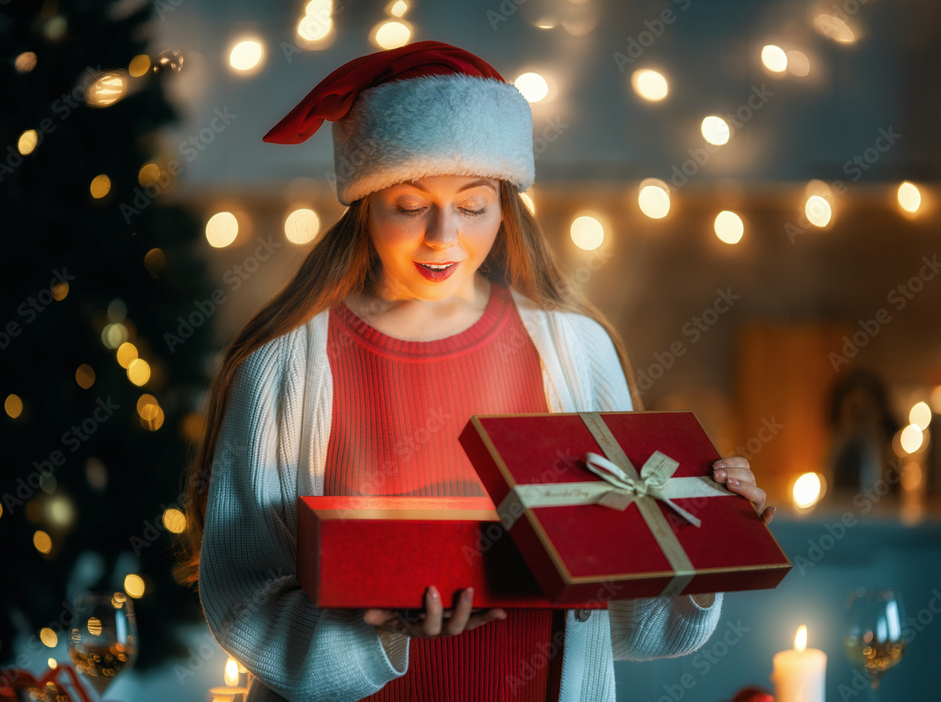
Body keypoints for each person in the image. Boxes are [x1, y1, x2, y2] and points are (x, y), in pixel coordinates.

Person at [180, 41, 775, 702]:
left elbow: (628, 617)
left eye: (473, 204)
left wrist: (705, 533)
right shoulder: (283, 368)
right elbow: (240, 592)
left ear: (506, 206)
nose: (444, 236)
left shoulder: (578, 353)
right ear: (365, 205)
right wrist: (378, 632)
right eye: (410, 204)